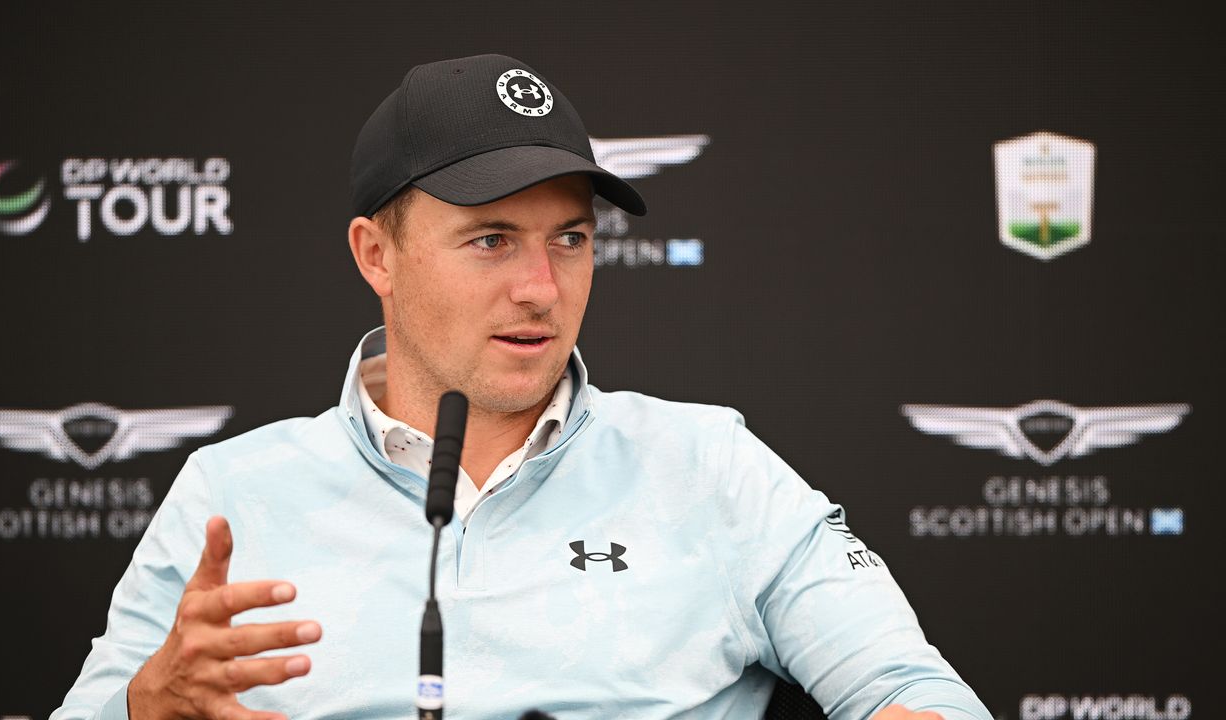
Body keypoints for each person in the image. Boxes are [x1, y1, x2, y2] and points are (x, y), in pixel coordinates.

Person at [53, 54, 992, 720]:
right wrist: (144, 709)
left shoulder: (710, 467)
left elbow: (912, 690)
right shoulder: (233, 493)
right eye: (491, 239)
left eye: (571, 239)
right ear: (376, 255)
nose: (542, 289)